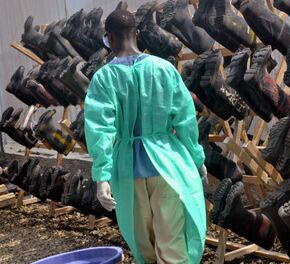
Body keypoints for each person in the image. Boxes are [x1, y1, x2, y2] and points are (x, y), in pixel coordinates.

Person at [84, 9, 207, 264]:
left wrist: (102, 177)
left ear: (108, 38)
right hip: (169, 166)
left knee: (144, 243)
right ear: (137, 34)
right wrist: (196, 158)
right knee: (172, 242)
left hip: (128, 171)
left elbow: (100, 131)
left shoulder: (103, 78)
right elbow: (185, 119)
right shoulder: (164, 69)